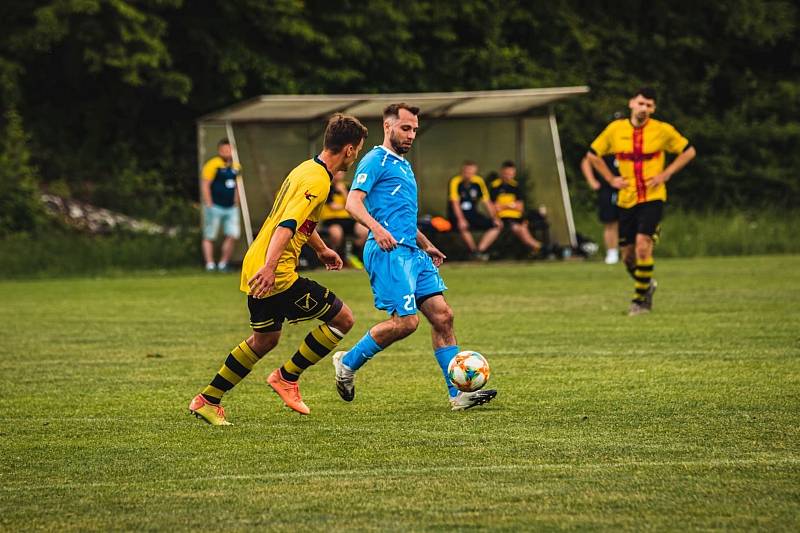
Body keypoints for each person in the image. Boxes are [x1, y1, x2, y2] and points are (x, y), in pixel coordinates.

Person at [188, 114, 369, 424]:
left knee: (265, 339)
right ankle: (287, 377)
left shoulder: (306, 169)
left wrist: (322, 248)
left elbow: (296, 220)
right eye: (359, 150)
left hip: (256, 261)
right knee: (343, 319)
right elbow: (286, 226)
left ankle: (207, 399)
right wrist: (272, 268)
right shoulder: (317, 180)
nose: (357, 157)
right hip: (277, 272)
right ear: (349, 149)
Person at [331, 103, 497, 411]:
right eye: (405, 128)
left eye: (414, 130)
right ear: (388, 127)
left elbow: (404, 216)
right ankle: (346, 363)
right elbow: (353, 204)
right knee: (406, 323)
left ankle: (458, 394)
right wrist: (377, 230)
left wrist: (426, 243)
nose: (410, 135)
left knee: (443, 316)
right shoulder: (375, 160)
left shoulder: (404, 166)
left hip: (412, 251)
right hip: (388, 252)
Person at [586, 87, 696, 315]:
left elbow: (688, 151)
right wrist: (610, 179)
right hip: (627, 199)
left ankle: (640, 301)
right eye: (641, 103)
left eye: (649, 105)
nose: (644, 108)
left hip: (652, 197)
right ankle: (647, 284)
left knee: (643, 246)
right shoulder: (615, 130)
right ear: (631, 104)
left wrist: (667, 174)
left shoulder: (662, 130)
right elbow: (592, 155)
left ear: (653, 109)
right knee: (628, 257)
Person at [447, 161, 503, 260]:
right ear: (462, 171)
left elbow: (487, 202)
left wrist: (494, 218)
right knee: (463, 226)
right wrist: (461, 219)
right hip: (457, 215)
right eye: (467, 172)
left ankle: (480, 251)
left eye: (471, 172)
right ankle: (473, 252)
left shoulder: (478, 181)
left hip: (473, 214)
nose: (469, 175)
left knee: (496, 226)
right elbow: (455, 203)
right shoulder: (455, 181)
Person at [200, 138, 241, 272]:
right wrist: (209, 202)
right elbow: (205, 184)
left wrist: (237, 201)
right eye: (224, 150)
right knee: (210, 235)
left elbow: (237, 186)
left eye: (229, 149)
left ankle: (223, 263)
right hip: (215, 206)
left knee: (232, 234)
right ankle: (210, 264)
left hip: (231, 207)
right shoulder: (212, 165)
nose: (227, 152)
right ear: (219, 150)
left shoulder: (236, 166)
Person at [489, 161, 542, 257]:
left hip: (516, 217)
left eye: (511, 174)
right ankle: (540, 248)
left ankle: (538, 248)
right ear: (501, 172)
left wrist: (503, 205)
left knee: (523, 227)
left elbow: (520, 207)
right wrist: (511, 205)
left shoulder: (516, 187)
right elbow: (494, 207)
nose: (508, 176)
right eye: (506, 174)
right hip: (503, 218)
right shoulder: (494, 186)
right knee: (519, 229)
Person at [319, 170, 369, 267]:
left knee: (364, 231)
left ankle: (353, 254)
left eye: (341, 172)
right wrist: (345, 206)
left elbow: (353, 203)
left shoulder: (346, 187)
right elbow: (333, 206)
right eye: (337, 172)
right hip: (331, 220)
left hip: (347, 219)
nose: (339, 174)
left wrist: (343, 192)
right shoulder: (327, 186)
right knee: (336, 233)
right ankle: (336, 257)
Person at [581, 153, 621, 264]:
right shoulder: (606, 144)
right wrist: (591, 181)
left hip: (628, 187)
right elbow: (587, 160)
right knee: (610, 222)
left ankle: (632, 251)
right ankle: (612, 253)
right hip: (609, 189)